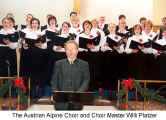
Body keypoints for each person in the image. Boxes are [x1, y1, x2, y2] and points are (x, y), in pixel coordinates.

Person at [51, 40, 90, 110]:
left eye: (73, 48)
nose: (70, 51)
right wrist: (55, 94)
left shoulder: (84, 64)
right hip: (61, 100)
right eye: (68, 49)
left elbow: (86, 80)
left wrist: (78, 94)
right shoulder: (58, 64)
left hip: (77, 99)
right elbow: (54, 81)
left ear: (77, 50)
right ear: (65, 51)